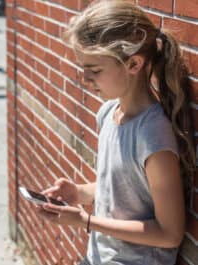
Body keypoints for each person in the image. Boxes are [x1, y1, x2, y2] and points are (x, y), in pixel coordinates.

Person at [35, 1, 196, 264]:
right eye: (83, 67)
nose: (85, 78)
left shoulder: (153, 136)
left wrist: (86, 222)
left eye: (95, 70)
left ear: (133, 64)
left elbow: (169, 234)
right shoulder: (108, 113)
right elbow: (125, 191)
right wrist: (77, 193)